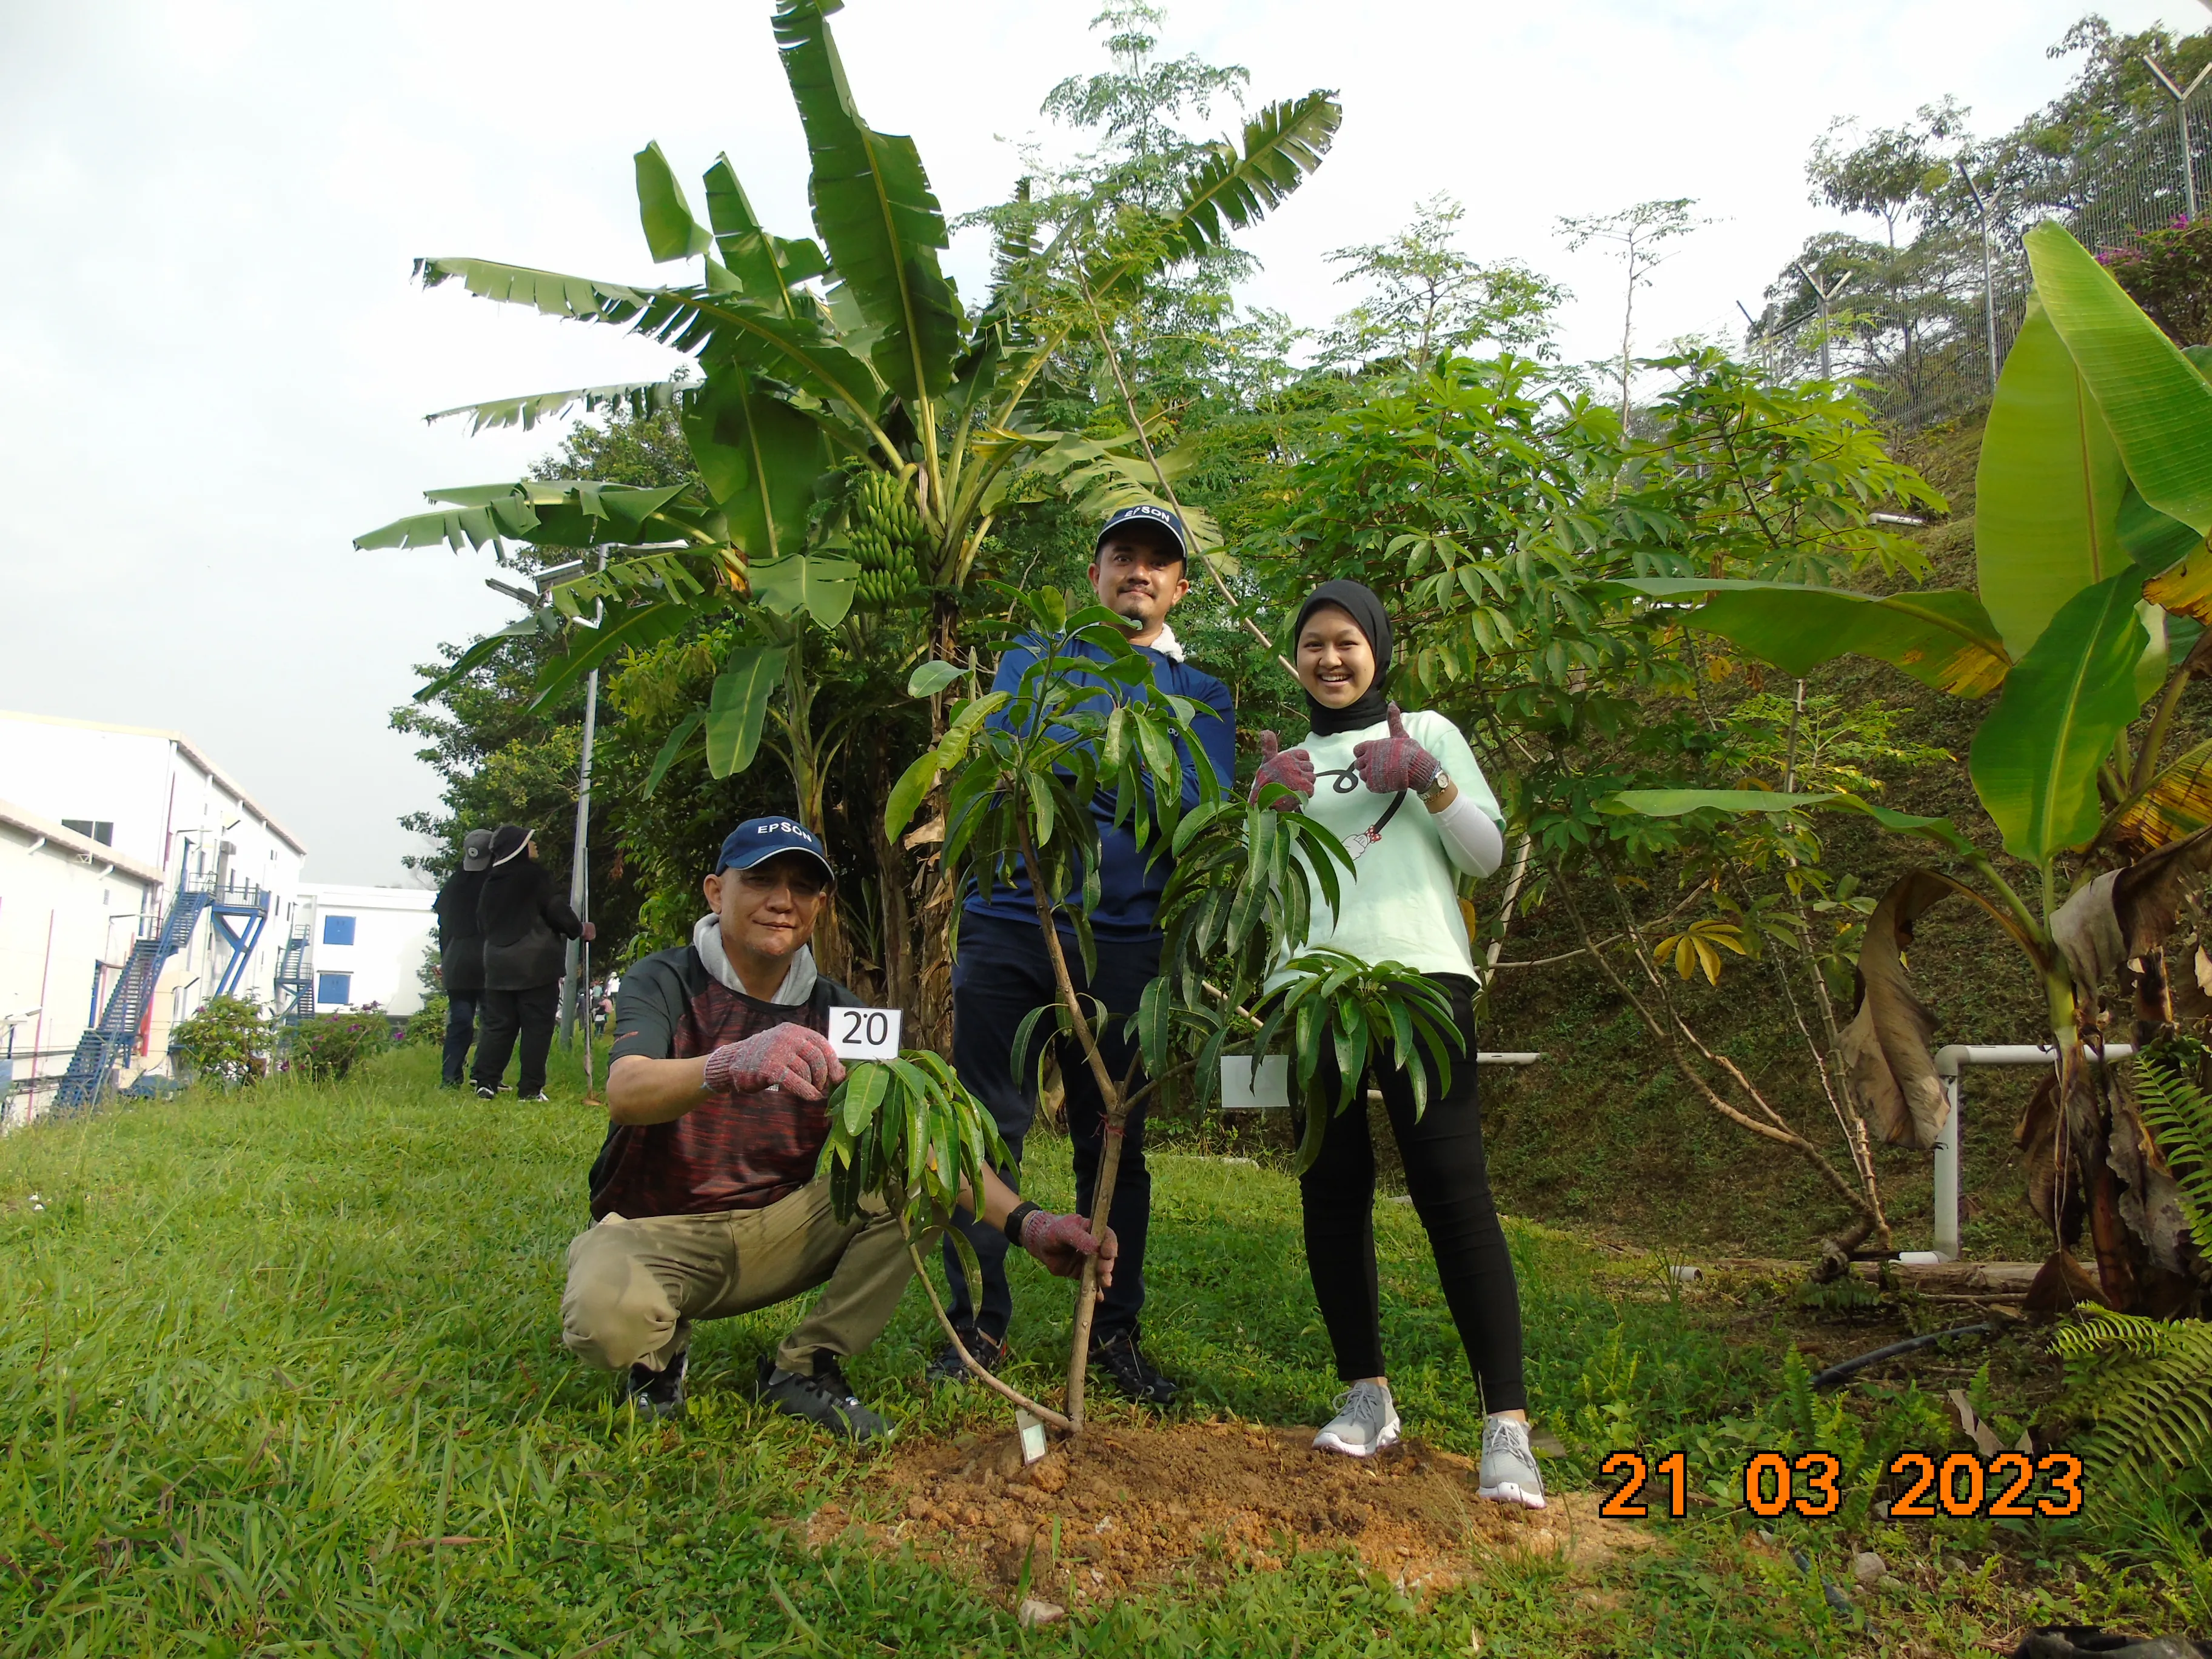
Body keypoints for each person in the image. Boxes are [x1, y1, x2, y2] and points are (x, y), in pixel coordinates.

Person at [565, 816, 1113, 1439]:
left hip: (774, 1232)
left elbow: (922, 1141)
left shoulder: (841, 1013)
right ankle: (656, 1365)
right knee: (603, 1318)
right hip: (653, 1232)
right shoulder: (664, 979)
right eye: (761, 879)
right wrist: (730, 1063)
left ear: (821, 906)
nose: (782, 901)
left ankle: (805, 1367)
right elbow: (626, 1092)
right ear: (717, 892)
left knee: (915, 1181)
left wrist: (1032, 1225)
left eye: (803, 887)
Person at [1248, 578, 1541, 1509]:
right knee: (1332, 1194)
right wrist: (1256, 812)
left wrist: (1427, 777)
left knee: (1454, 1195)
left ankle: (1507, 1427)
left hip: (1421, 985)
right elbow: (1256, 895)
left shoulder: (1433, 734)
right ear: (1295, 662)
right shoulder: (1286, 760)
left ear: (1377, 649)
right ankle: (1366, 1394)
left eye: (1346, 643)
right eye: (1312, 647)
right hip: (1311, 995)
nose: (1329, 660)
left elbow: (1485, 855)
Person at [934, 504, 1236, 1406]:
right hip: (1010, 917)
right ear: (1097, 573)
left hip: (1126, 940)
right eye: (1121, 558)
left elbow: (1193, 803)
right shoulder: (1038, 654)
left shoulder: (1206, 691)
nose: (1137, 572)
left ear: (1181, 587)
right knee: (987, 1126)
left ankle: (1110, 1334)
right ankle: (976, 1328)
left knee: (1117, 1145)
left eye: (1157, 563)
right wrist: (1132, 758)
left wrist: (1104, 757)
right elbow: (1045, 760)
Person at [472, 825, 593, 1102]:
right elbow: (555, 910)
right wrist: (578, 929)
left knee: (498, 1025)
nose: (535, 845)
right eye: (530, 841)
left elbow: (482, 923)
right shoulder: (534, 877)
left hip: (498, 965)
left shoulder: (490, 882)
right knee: (536, 1027)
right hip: (535, 966)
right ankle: (530, 1089)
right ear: (519, 848)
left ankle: (486, 1081)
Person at [432, 828, 494, 1089]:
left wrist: (445, 960)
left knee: (460, 1021)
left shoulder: (453, 885)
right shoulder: (496, 884)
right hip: (488, 961)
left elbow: (443, 929)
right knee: (493, 1022)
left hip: (457, 962)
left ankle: (451, 1076)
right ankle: (484, 1077)